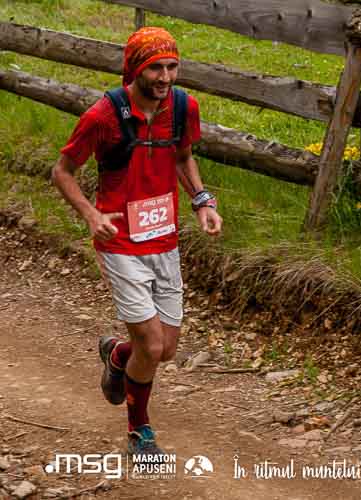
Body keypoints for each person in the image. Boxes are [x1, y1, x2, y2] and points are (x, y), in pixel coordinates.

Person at [51, 27, 222, 459]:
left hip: (163, 239)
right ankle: (139, 431)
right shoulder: (103, 117)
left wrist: (202, 201)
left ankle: (116, 356)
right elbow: (62, 171)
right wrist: (91, 215)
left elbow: (183, 157)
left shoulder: (183, 107)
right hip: (120, 243)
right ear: (134, 70)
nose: (165, 77)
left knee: (165, 350)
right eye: (155, 68)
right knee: (151, 346)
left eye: (172, 67)